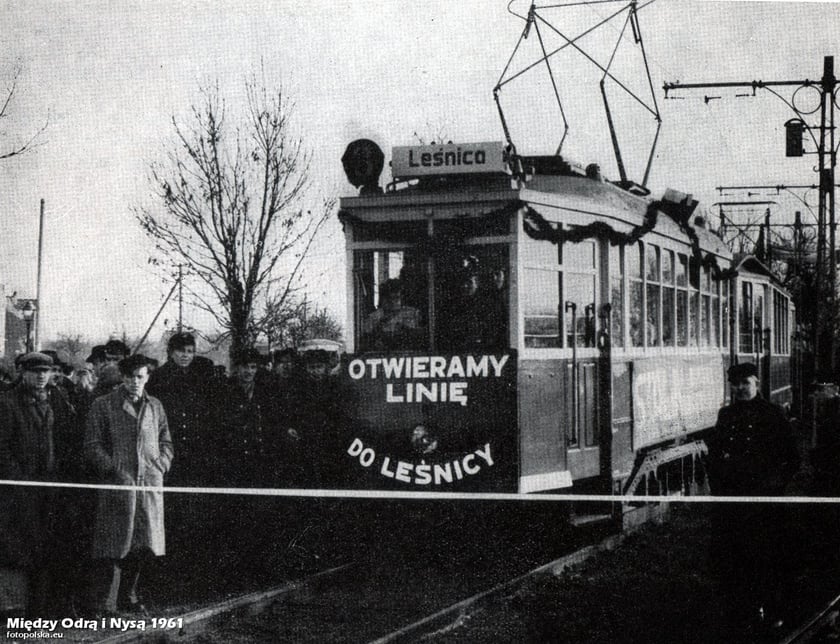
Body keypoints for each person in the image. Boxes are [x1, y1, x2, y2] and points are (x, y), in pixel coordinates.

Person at [704, 362, 799, 635]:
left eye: (746, 383)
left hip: (764, 504)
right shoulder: (726, 416)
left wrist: (774, 487)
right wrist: (719, 489)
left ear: (757, 383)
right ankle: (740, 611)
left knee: (766, 557)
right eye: (736, 384)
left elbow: (791, 459)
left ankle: (770, 610)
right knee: (733, 559)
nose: (741, 389)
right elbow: (714, 458)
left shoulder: (773, 415)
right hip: (732, 504)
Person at [85, 353, 173, 616]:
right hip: (119, 486)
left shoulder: (155, 406)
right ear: (122, 378)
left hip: (149, 485)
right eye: (129, 377)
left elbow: (166, 441)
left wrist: (161, 465)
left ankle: (130, 597)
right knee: (114, 545)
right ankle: (105, 604)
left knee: (144, 545)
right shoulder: (104, 405)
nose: (135, 382)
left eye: (140, 377)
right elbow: (92, 445)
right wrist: (113, 469)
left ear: (147, 377)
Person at [0, 352, 75, 616]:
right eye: (36, 372)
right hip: (17, 491)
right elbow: (2, 450)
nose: (42, 376)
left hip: (49, 490)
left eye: (46, 371)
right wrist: (19, 481)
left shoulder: (55, 401)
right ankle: (12, 610)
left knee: (44, 547)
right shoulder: (7, 403)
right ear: (23, 373)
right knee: (15, 550)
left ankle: (39, 609)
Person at [362, 278, 423, 351]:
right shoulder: (373, 318)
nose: (392, 302)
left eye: (396, 298)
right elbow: (366, 340)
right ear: (383, 299)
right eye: (389, 298)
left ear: (402, 298)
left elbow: (420, 338)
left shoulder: (413, 314)